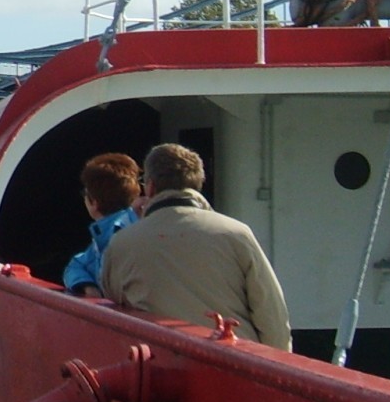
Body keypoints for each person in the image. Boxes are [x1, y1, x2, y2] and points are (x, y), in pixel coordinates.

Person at [101, 143, 292, 348]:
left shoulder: (122, 243)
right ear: (198, 183)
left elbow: (114, 308)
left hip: (161, 359)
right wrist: (277, 359)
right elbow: (271, 313)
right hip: (237, 357)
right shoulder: (236, 233)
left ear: (150, 186)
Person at [62, 153, 141, 297]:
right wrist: (88, 285)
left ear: (94, 203)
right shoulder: (109, 232)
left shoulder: (115, 233)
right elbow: (76, 265)